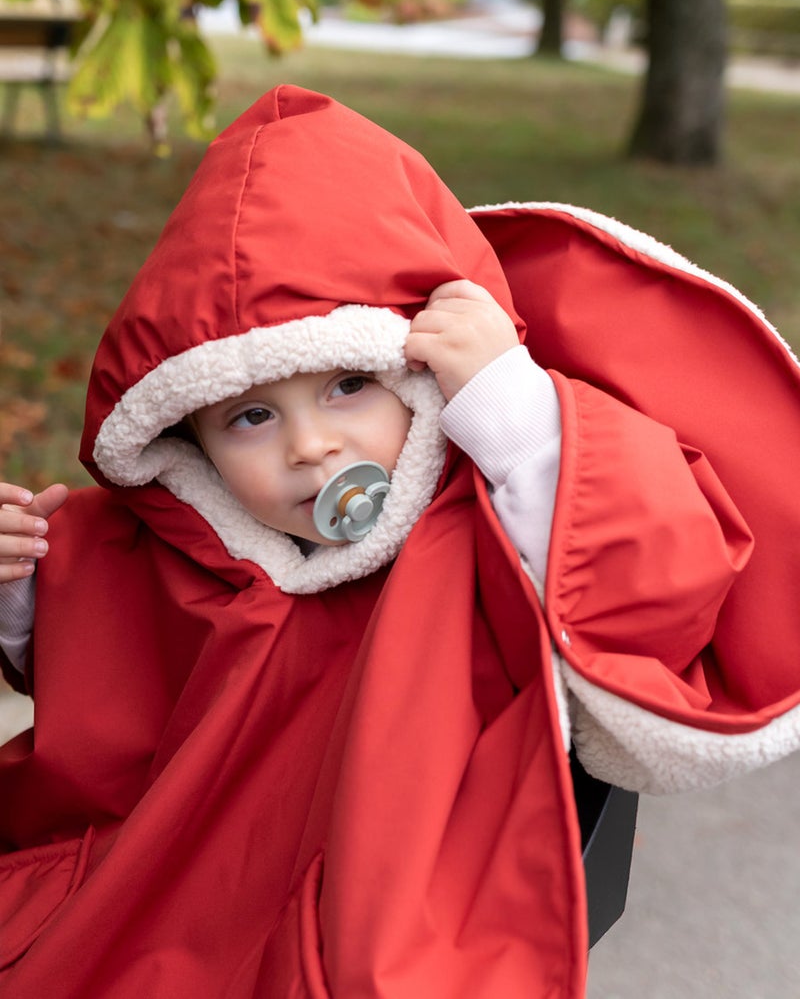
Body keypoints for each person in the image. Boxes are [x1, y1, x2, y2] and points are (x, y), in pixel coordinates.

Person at [1, 84, 799, 999]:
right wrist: (25, 599)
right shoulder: (183, 546)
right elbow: (115, 703)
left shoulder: (485, 521)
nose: (311, 447)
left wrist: (519, 423)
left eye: (349, 387)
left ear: (421, 380)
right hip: (174, 907)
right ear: (189, 440)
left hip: (374, 917)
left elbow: (645, 589)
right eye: (252, 416)